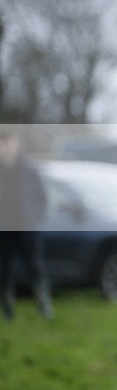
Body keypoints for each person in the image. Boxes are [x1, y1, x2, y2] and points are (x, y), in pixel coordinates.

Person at [0, 131, 53, 320]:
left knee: (35, 267)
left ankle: (44, 306)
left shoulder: (28, 170)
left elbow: (42, 198)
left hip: (27, 227)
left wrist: (36, 219)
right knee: (4, 269)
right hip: (5, 228)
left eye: (9, 143)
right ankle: (7, 309)